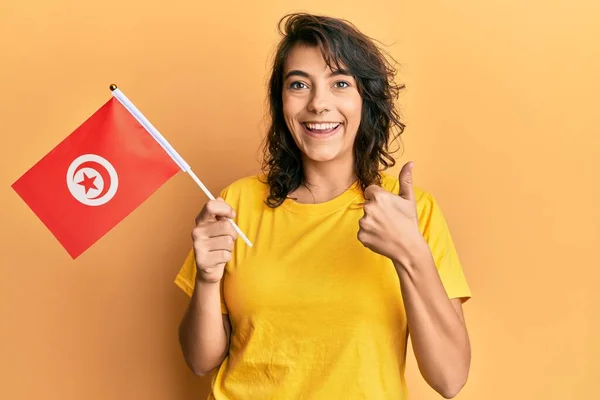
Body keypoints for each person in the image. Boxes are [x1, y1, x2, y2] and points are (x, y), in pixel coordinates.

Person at [175, 12, 472, 400]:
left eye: (340, 83)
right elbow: (200, 360)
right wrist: (207, 279)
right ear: (281, 101)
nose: (318, 103)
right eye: (299, 84)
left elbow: (450, 379)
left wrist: (410, 252)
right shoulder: (235, 203)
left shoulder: (409, 211)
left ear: (366, 99)